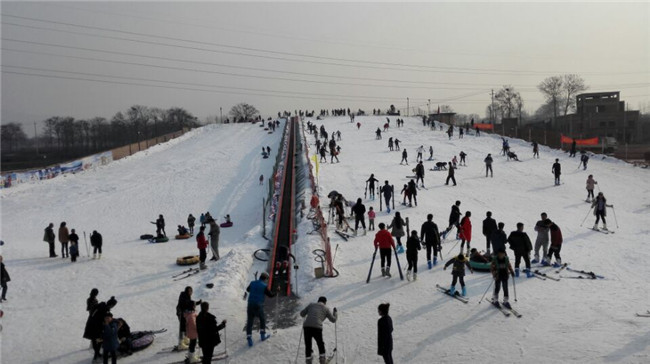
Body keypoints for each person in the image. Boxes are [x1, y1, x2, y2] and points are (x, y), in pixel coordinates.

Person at [300, 296, 337, 364]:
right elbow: (333, 320)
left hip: (307, 326)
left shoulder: (311, 305)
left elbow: (302, 314)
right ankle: (322, 360)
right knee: (320, 343)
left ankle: (308, 361)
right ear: (325, 302)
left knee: (308, 344)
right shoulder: (326, 308)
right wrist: (335, 313)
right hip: (317, 327)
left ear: (318, 301)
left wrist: (307, 311)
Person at [245, 272, 276, 346]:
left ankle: (249, 338)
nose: (266, 281)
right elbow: (270, 295)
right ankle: (262, 335)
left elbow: (248, 290)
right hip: (258, 305)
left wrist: (254, 289)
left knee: (250, 321)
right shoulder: (264, 286)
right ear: (265, 279)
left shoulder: (252, 283)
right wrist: (277, 292)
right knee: (262, 319)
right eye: (267, 280)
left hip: (250, 304)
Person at [84, 296, 118, 361]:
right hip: (96, 327)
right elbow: (105, 319)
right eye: (113, 306)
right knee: (99, 340)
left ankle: (97, 354)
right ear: (111, 305)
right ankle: (96, 355)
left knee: (95, 340)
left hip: (91, 325)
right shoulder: (104, 309)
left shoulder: (101, 305)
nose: (112, 307)